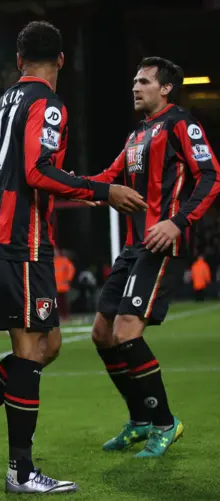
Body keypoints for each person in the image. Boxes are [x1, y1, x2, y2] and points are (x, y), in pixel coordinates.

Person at [0, 20, 147, 494]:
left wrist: (78, 186)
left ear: (18, 59)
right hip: (20, 237)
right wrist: (102, 189)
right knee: (32, 351)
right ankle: (20, 471)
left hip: (4, 231)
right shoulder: (46, 103)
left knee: (46, 347)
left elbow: (21, 167)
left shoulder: (1, 102)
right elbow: (35, 170)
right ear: (62, 61)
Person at [89, 56, 220, 457]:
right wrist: (60, 184)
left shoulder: (181, 123)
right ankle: (140, 421)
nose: (135, 87)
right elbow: (109, 178)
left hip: (160, 243)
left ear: (165, 88)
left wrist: (177, 222)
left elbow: (212, 175)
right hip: (132, 247)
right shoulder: (137, 135)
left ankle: (165, 422)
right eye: (134, 80)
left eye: (144, 81)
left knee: (127, 332)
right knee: (102, 334)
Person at [54, 248, 75, 320]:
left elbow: (71, 269)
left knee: (63, 302)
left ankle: (65, 315)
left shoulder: (64, 260)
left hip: (63, 286)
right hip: (54, 286)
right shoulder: (52, 261)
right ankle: (59, 316)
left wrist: (68, 279)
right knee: (56, 302)